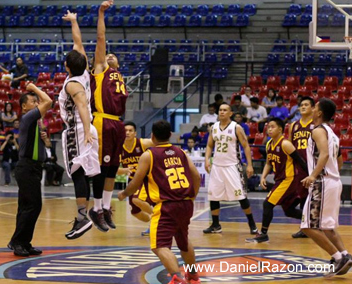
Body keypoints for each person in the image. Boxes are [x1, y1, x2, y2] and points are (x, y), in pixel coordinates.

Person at [117, 120, 201, 284]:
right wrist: (192, 196)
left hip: (167, 205)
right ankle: (193, 276)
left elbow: (135, 182)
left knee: (159, 245)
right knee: (183, 241)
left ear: (152, 136)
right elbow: (196, 176)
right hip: (186, 203)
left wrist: (124, 193)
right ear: (170, 135)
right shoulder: (181, 152)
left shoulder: (148, 154)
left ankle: (177, 278)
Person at [59, 10, 102, 239]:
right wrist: (74, 21)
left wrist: (85, 131)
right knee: (84, 171)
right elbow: (78, 42)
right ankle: (86, 213)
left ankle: (82, 217)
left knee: (77, 171)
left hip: (78, 130)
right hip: (85, 128)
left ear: (66, 66)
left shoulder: (74, 84)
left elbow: (84, 107)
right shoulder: (84, 72)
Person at [300, 99, 352, 278]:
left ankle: (338, 258)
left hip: (322, 182)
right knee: (327, 226)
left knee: (307, 226)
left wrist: (314, 175)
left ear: (320, 112)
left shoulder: (318, 131)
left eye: (315, 107)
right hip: (333, 181)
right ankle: (345, 255)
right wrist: (332, 172)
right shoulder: (332, 133)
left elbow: (324, 154)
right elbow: (339, 159)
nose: (312, 109)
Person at [90, 0, 128, 230]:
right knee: (101, 169)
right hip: (102, 122)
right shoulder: (100, 71)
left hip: (117, 125)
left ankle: (106, 206)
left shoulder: (118, 76)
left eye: (113, 56)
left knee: (113, 169)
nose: (110, 56)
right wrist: (101, 13)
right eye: (107, 55)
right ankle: (96, 209)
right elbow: (101, 38)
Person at [246, 118, 307, 243]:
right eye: (268, 127)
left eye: (272, 127)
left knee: (267, 204)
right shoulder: (269, 144)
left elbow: (301, 162)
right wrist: (263, 177)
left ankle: (263, 234)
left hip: (289, 179)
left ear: (280, 129)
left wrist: (311, 176)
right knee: (289, 211)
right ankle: (312, 220)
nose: (269, 129)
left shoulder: (285, 144)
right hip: (280, 179)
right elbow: (268, 163)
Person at [8, 83, 52, 257]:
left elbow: (46, 146)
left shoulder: (37, 124)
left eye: (36, 101)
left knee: (27, 206)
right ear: (24, 106)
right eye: (33, 101)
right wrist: (33, 87)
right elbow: (48, 101)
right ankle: (17, 242)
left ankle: (24, 242)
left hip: (34, 168)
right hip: (26, 167)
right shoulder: (27, 118)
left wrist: (46, 140)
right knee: (32, 206)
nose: (36, 103)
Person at [204, 104, 257, 234]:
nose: (221, 112)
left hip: (232, 166)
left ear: (230, 113)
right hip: (217, 166)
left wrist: (249, 165)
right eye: (220, 110)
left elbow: (246, 146)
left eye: (225, 110)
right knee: (213, 196)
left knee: (241, 196)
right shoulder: (214, 127)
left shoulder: (236, 127)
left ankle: (252, 224)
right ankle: (215, 225)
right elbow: (210, 145)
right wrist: (207, 160)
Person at [118, 121, 154, 235]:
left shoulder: (143, 143)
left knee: (137, 200)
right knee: (135, 211)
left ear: (135, 133)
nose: (127, 133)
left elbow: (160, 142)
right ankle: (154, 223)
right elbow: (112, 170)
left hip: (146, 178)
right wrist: (123, 170)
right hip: (133, 180)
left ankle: (159, 220)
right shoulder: (119, 148)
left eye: (130, 130)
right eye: (125, 131)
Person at [288, 96, 315, 239]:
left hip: (312, 166)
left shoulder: (316, 125)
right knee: (302, 197)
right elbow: (290, 146)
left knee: (310, 197)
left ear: (312, 108)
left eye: (306, 105)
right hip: (298, 166)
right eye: (301, 105)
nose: (303, 107)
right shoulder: (293, 126)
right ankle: (305, 227)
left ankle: (308, 227)